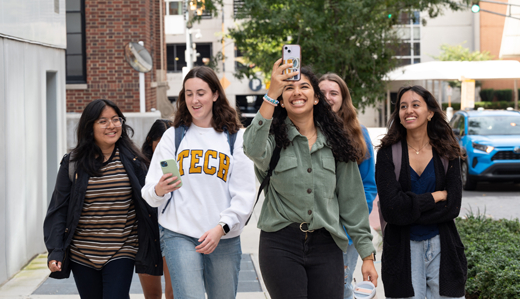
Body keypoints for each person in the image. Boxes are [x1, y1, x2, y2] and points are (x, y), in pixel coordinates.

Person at [243, 60, 378, 299]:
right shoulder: (271, 139)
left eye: (304, 87)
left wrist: (367, 255)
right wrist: (271, 92)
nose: (296, 92)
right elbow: (252, 148)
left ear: (316, 98)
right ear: (282, 100)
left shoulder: (338, 143)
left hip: (327, 245)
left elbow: (352, 202)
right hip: (280, 244)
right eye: (288, 88)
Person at [141, 66, 256, 299]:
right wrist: (159, 189)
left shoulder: (235, 138)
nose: (194, 100)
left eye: (201, 93)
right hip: (179, 234)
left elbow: (245, 196)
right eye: (189, 93)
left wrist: (221, 228)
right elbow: (149, 192)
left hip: (223, 236)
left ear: (215, 94)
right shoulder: (173, 137)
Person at [44, 99, 162, 299]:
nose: (112, 126)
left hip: (122, 249)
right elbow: (59, 209)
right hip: (82, 252)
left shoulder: (134, 162)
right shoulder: (73, 163)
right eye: (103, 121)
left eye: (116, 120)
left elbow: (149, 200)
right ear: (90, 127)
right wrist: (55, 250)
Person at [376, 86, 467, 299]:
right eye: (403, 106)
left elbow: (453, 206)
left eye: (416, 105)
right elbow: (391, 210)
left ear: (430, 112)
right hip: (402, 251)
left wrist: (408, 208)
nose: (409, 110)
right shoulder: (388, 154)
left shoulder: (447, 151)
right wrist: (436, 196)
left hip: (442, 247)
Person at [319, 73, 377, 299]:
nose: (328, 97)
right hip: (315, 233)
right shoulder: (304, 131)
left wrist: (353, 221)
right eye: (322, 93)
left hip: (346, 234)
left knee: (340, 289)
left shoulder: (358, 134)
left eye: (334, 93)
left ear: (343, 99)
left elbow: (368, 186)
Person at [139, 119, 175, 299]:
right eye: (160, 143)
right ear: (150, 140)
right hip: (147, 233)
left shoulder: (179, 161)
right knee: (152, 295)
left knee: (173, 292)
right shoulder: (139, 164)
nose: (164, 149)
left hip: (171, 231)